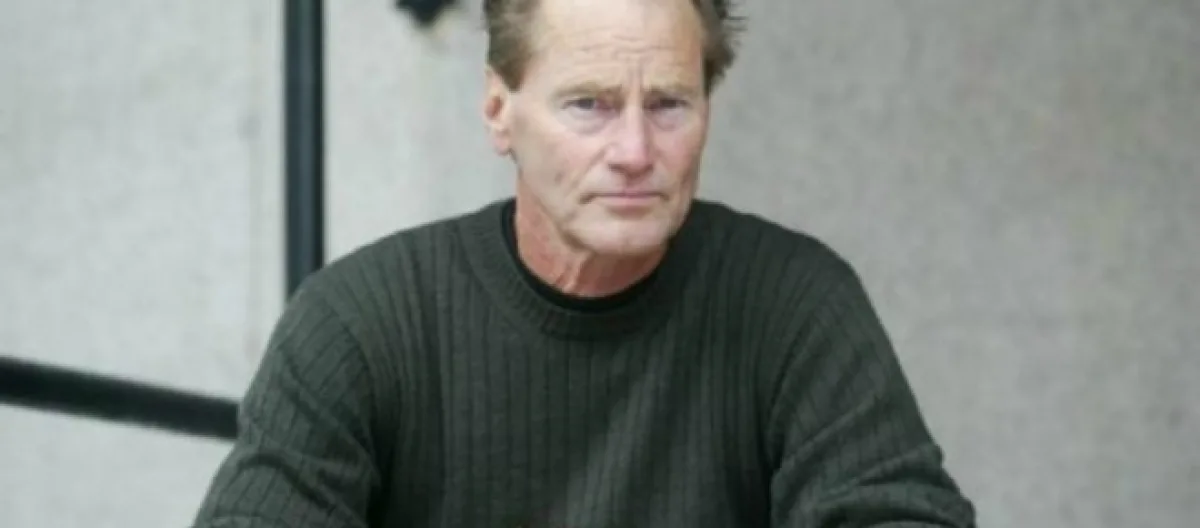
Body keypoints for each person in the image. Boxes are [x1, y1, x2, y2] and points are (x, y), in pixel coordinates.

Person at [193, 0, 976, 526]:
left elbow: (895, 511)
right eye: (589, 105)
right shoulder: (361, 322)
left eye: (668, 104)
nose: (635, 151)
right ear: (499, 111)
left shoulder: (793, 302)